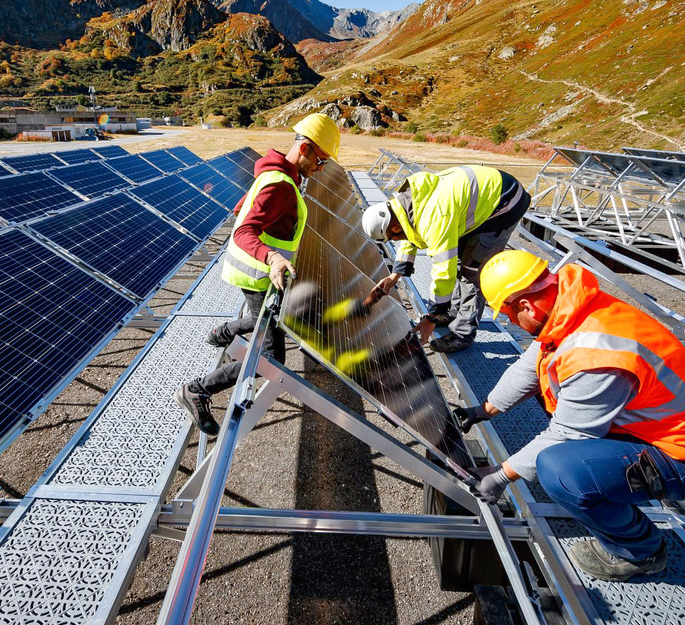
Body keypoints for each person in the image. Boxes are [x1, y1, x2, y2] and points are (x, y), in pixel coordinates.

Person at [460, 249, 685, 581]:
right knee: (550, 389)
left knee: (559, 469)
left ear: (525, 305)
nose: (509, 322)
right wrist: (484, 410)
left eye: (507, 315)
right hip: (673, 429)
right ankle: (611, 481)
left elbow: (567, 435)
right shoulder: (574, 308)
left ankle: (641, 550)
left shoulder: (596, 353)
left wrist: (499, 476)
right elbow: (531, 365)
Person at [175, 113, 341, 435]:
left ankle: (223, 332)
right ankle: (197, 390)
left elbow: (243, 210)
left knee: (273, 317)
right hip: (259, 276)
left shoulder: (279, 175)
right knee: (270, 359)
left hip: (261, 275)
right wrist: (272, 256)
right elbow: (244, 231)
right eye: (320, 160)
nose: (321, 169)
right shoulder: (280, 185)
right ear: (304, 148)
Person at [360, 166, 530, 352]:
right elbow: (411, 235)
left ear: (393, 228)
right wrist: (395, 275)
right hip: (480, 198)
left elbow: (443, 271)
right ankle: (450, 313)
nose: (396, 241)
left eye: (393, 238)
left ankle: (462, 334)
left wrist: (432, 316)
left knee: (471, 272)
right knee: (458, 261)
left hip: (505, 202)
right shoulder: (404, 206)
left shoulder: (434, 217)